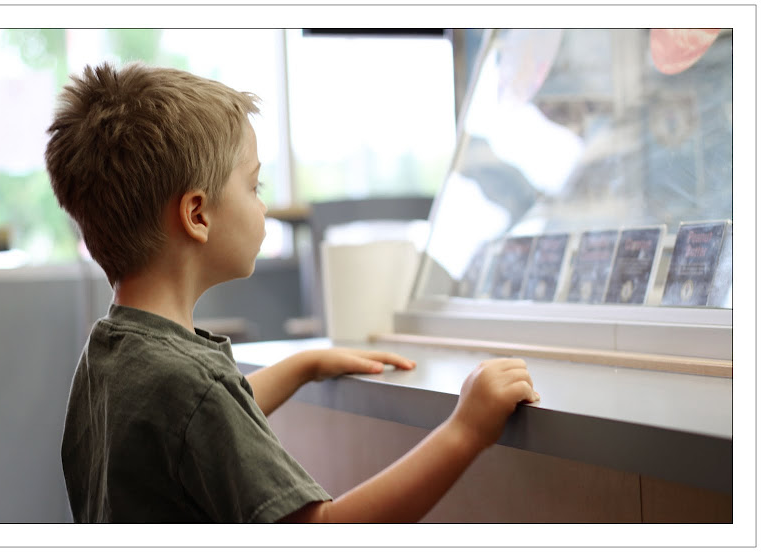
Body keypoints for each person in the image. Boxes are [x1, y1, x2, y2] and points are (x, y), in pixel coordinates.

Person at [46, 61, 539, 523]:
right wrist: (466, 431)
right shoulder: (191, 386)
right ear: (197, 215)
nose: (262, 207)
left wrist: (303, 366)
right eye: (254, 187)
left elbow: (194, 428)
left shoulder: (110, 355)